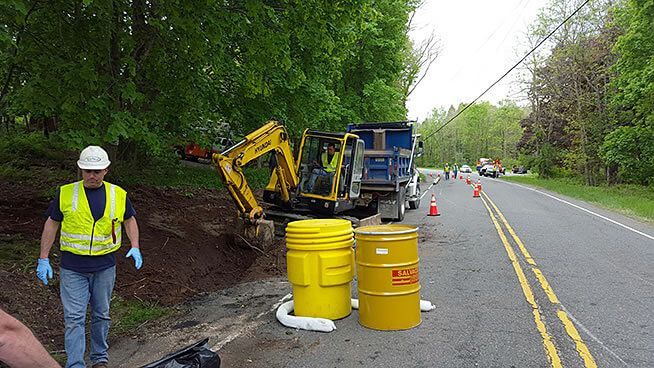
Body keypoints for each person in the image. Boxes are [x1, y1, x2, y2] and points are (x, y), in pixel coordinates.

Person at [36, 145, 143, 368]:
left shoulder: (118, 194)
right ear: (81, 170)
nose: (92, 175)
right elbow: (51, 223)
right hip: (73, 267)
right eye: (87, 171)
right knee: (74, 317)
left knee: (102, 314)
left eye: (97, 171)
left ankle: (99, 359)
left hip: (104, 266)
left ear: (106, 170)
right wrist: (43, 257)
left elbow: (129, 219)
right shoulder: (66, 193)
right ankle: (75, 363)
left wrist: (135, 245)